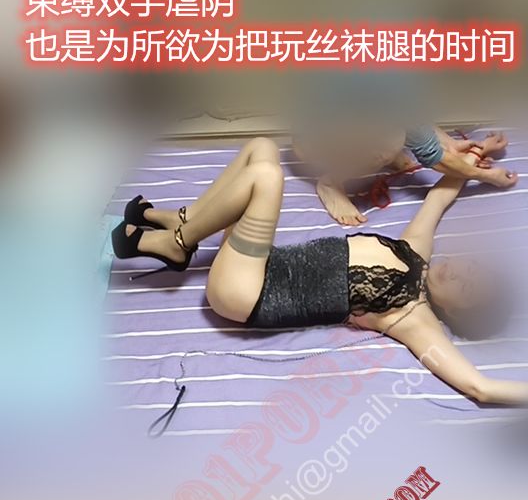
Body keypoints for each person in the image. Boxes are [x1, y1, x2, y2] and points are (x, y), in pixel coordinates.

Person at [111, 133, 526, 407]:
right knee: (262, 147)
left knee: (266, 177)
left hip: (245, 294)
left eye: (467, 288)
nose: (461, 273)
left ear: (454, 312)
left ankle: (176, 243)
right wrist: (477, 160)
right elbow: (440, 196)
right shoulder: (416, 249)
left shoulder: (413, 316)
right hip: (255, 263)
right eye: (473, 268)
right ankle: (184, 222)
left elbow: (481, 387)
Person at [295, 123, 512, 226]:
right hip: (314, 143)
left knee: (394, 130)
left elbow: (415, 116)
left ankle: (386, 153)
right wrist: (487, 176)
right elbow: (433, 158)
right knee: (391, 140)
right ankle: (332, 182)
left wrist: (450, 144)